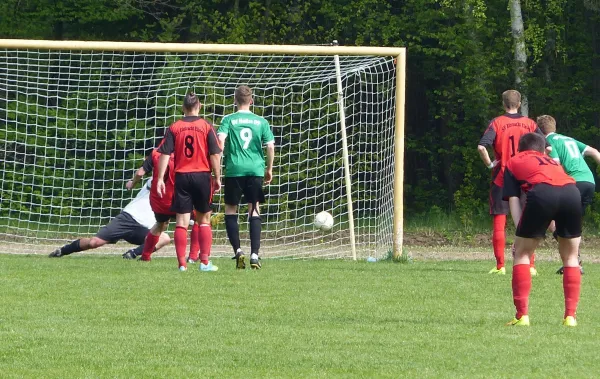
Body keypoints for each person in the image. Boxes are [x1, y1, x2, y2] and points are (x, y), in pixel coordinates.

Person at [503, 133, 582, 327]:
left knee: (522, 253)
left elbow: (514, 200)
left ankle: (522, 316)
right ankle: (570, 317)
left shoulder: (513, 161)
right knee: (571, 257)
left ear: (520, 149)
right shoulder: (552, 161)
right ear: (542, 149)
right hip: (573, 193)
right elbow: (558, 190)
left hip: (542, 192)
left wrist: (519, 234)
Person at [156, 92, 222, 272]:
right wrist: (218, 177)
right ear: (199, 106)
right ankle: (205, 262)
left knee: (181, 221)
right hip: (202, 176)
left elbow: (164, 154)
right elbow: (215, 154)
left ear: (183, 108)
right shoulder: (206, 126)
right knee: (204, 219)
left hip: (182, 177)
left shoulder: (175, 127)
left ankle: (182, 265)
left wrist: (160, 179)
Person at [477, 90, 540, 276]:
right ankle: (530, 266)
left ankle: (500, 266)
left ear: (503, 104)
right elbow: (547, 146)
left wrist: (490, 164)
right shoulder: (530, 124)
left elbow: (482, 146)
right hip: (526, 177)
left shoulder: (497, 122)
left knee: (499, 221)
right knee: (529, 220)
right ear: (519, 103)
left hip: (502, 176)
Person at [217, 85, 275, 270]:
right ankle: (255, 255)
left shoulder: (228, 119)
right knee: (254, 209)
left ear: (235, 100)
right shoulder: (261, 121)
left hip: (235, 169)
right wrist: (269, 169)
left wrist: (217, 170)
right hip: (255, 170)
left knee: (231, 210)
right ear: (251, 101)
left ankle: (238, 251)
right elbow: (271, 146)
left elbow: (220, 142)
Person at [538, 115, 600, 275]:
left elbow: (556, 163)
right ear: (554, 127)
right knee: (572, 222)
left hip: (573, 183)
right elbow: (594, 152)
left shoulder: (550, 143)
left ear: (540, 131)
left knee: (554, 221)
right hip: (589, 181)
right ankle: (573, 262)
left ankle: (574, 262)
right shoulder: (569, 139)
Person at [49, 179, 170, 258]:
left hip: (146, 229)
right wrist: (134, 180)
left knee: (164, 238)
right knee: (94, 242)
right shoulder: (158, 179)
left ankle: (132, 254)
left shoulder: (178, 192)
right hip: (128, 218)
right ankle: (63, 251)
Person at [123, 148, 202, 263]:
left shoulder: (156, 153)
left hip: (160, 199)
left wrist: (132, 182)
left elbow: (140, 173)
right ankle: (192, 257)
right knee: (194, 221)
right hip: (179, 198)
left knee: (159, 225)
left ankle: (145, 256)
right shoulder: (187, 153)